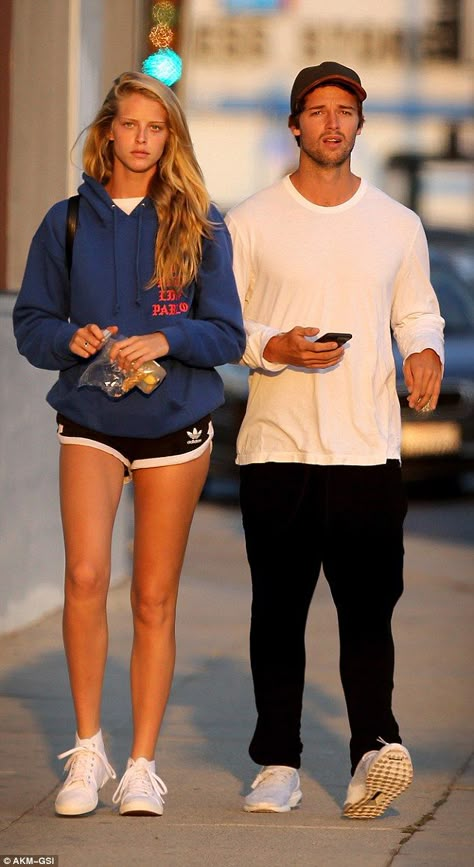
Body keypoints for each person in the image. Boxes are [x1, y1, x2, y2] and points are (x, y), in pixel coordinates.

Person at [13, 70, 245, 818]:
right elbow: (31, 324)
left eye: (157, 127)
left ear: (169, 137)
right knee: (85, 576)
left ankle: (141, 764)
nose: (142, 138)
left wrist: (166, 335)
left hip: (175, 424)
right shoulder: (67, 222)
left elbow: (228, 333)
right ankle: (88, 750)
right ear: (108, 130)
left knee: (152, 596)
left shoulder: (200, 223)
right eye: (131, 124)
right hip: (90, 417)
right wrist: (67, 337)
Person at [225, 61, 444, 819]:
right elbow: (224, 326)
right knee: (277, 614)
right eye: (316, 110)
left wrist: (424, 352)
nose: (330, 122)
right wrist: (274, 346)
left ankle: (370, 755)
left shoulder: (397, 223)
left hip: (367, 453)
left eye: (343, 110)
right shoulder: (249, 220)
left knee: (367, 616)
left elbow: (418, 312)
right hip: (277, 449)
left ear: (359, 122)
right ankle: (277, 763)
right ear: (294, 125)